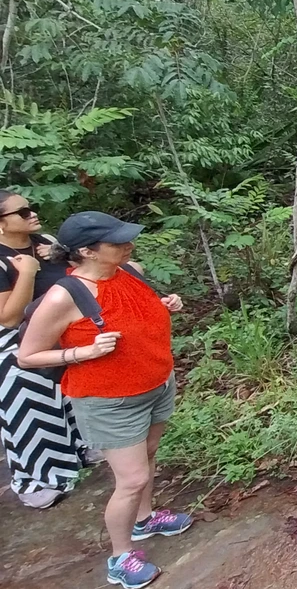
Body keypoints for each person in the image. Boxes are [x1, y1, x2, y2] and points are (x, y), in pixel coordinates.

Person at [18, 211, 190, 589]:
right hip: (108, 399)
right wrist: (82, 353)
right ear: (86, 252)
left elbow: (133, 317)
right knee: (131, 480)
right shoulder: (65, 295)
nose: (129, 245)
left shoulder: (130, 271)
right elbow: (27, 356)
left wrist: (164, 304)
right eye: (118, 242)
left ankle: (145, 520)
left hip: (156, 383)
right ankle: (120, 557)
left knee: (148, 453)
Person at [0, 190, 88, 509]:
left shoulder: (45, 240)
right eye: (22, 213)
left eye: (31, 208)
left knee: (66, 397)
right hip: (15, 344)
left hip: (59, 331)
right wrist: (26, 273)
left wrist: (60, 254)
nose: (32, 215)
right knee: (31, 408)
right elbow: (8, 317)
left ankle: (78, 452)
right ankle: (36, 478)